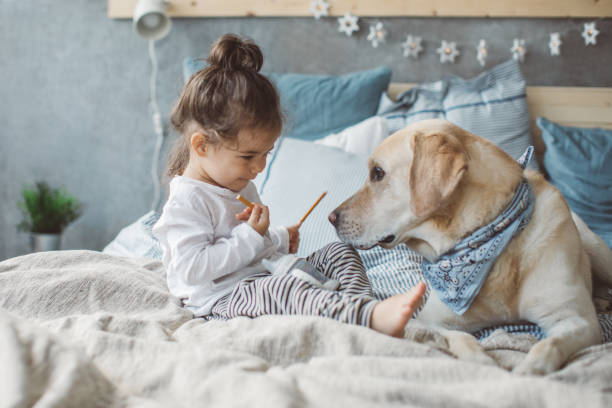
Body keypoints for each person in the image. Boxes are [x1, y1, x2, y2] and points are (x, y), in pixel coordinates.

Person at [153, 33, 426, 338]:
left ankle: (360, 308)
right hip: (221, 299)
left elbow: (250, 246)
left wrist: (280, 239)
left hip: (259, 275)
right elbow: (193, 268)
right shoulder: (186, 202)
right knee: (287, 290)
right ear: (202, 146)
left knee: (339, 252)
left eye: (266, 154)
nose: (259, 167)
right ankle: (368, 318)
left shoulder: (237, 182)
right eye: (247, 156)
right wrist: (252, 236)